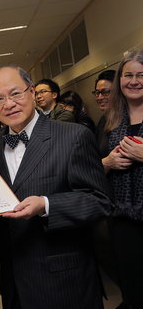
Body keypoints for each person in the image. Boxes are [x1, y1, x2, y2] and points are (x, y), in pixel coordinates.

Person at [0, 66, 111, 309]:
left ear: (32, 92)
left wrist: (46, 205)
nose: (8, 104)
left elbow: (100, 201)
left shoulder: (73, 136)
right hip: (13, 278)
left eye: (15, 94)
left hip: (63, 277)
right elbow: (1, 218)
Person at [102, 50, 143, 309]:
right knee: (133, 288)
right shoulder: (109, 121)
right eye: (128, 75)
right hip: (123, 221)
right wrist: (107, 162)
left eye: (141, 75)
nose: (134, 81)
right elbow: (87, 167)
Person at [93, 70, 116, 156]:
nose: (99, 97)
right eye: (97, 93)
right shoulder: (103, 120)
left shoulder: (130, 119)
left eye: (105, 92)